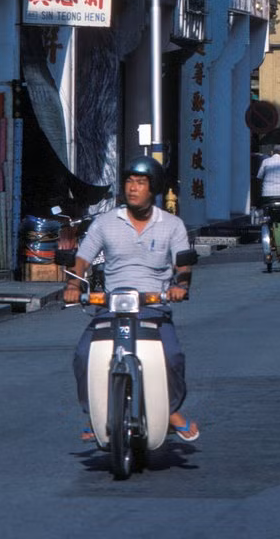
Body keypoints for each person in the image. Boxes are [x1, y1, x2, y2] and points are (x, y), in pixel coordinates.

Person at [65, 157, 199, 442]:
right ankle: (94, 413)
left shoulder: (172, 225)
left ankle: (172, 410)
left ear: (154, 189)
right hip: (113, 305)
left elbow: (183, 264)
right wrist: (73, 284)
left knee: (173, 357)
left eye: (140, 183)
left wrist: (180, 285)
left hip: (154, 306)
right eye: (129, 182)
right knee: (82, 355)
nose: (133, 188)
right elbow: (83, 257)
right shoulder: (105, 222)